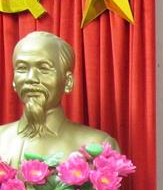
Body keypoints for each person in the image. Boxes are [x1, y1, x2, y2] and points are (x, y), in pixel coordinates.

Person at [0, 31, 118, 166]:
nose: (30, 78)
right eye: (22, 68)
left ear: (67, 82)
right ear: (13, 81)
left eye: (44, 69)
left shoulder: (97, 147)